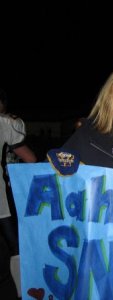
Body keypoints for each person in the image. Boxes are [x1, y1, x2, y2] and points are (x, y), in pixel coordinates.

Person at [0, 89, 37, 299]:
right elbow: (30, 158)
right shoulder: (6, 123)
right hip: (2, 194)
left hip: (4, 192)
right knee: (15, 243)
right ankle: (22, 291)